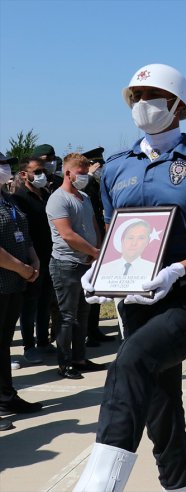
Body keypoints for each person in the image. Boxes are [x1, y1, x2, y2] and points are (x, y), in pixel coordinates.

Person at [75, 63, 186, 492]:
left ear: (177, 104)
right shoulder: (114, 169)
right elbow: (117, 237)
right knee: (162, 405)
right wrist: (100, 272)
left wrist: (177, 269)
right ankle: (182, 485)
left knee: (130, 362)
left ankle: (99, 484)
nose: (141, 105)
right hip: (136, 302)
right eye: (136, 96)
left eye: (151, 95)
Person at [46, 153, 106, 379]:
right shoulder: (58, 199)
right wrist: (94, 252)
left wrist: (96, 249)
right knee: (67, 316)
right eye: (80, 173)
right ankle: (64, 362)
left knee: (83, 313)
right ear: (68, 173)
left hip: (86, 263)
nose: (84, 177)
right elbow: (67, 234)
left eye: (85, 172)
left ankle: (79, 358)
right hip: (66, 264)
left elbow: (94, 224)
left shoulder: (84, 198)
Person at [0, 152, 43, 431]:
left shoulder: (7, 200)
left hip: (14, 283)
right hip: (6, 278)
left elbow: (22, 233)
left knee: (2, 343)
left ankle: (6, 397)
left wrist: (33, 259)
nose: (5, 169)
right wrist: (21, 268)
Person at [13, 156, 55, 364]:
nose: (42, 175)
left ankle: (43, 342)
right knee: (30, 304)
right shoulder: (19, 198)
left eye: (43, 171)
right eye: (37, 171)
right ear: (24, 174)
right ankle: (29, 345)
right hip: (32, 258)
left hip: (49, 256)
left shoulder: (46, 194)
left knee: (45, 302)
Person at [82, 147, 116, 345]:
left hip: (100, 238)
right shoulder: (85, 185)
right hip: (89, 241)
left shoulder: (98, 184)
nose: (99, 169)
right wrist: (87, 177)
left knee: (97, 287)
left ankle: (94, 329)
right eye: (96, 165)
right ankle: (87, 331)